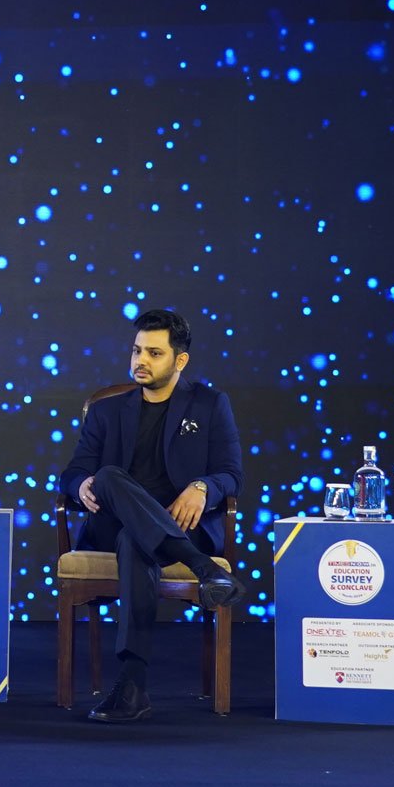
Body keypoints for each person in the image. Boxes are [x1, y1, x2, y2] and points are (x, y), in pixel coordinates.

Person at [59, 308, 246, 723]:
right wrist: (81, 485)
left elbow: (232, 475)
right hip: (112, 523)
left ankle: (132, 683)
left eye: (154, 353)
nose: (140, 360)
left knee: (136, 540)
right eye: (136, 350)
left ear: (180, 360)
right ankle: (204, 568)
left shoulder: (210, 405)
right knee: (107, 476)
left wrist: (202, 487)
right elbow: (71, 473)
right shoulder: (107, 411)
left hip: (179, 525)